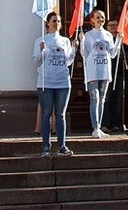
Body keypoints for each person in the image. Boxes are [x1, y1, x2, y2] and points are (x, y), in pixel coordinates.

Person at [33, 12, 76, 156]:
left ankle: (62, 146)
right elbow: (36, 62)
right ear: (47, 23)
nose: (56, 23)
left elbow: (68, 61)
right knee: (46, 114)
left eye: (58, 21)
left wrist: (74, 49)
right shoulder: (41, 40)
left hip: (63, 82)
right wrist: (41, 51)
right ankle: (46, 146)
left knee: (60, 115)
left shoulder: (65, 41)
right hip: (46, 82)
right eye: (53, 21)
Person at [80, 9, 123, 138]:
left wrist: (118, 40)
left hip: (104, 70)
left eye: (102, 17)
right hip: (93, 71)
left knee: (102, 100)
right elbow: (84, 54)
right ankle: (95, 127)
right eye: (98, 17)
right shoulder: (88, 35)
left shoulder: (108, 35)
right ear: (92, 20)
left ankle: (99, 127)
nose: (100, 20)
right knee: (95, 98)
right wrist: (81, 42)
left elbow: (113, 53)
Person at [102, 19, 127, 132]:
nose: (113, 27)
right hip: (106, 72)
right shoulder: (105, 39)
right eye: (111, 25)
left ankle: (116, 124)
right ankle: (105, 124)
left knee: (117, 99)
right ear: (106, 27)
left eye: (115, 25)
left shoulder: (122, 40)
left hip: (119, 74)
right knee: (106, 99)